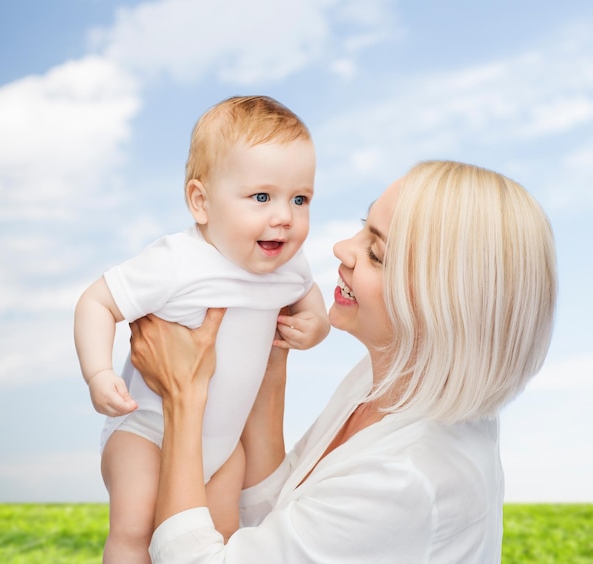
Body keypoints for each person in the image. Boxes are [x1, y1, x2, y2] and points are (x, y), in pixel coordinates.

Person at [128, 160, 557, 563]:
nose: (341, 249)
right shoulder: (394, 377)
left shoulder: (409, 478)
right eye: (362, 228)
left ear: (444, 307)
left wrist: (183, 396)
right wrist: (271, 362)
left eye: (377, 254)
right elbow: (283, 514)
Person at [74, 95, 330, 562]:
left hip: (223, 445)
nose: (284, 216)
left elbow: (311, 305)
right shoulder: (177, 262)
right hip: (147, 430)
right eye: (261, 197)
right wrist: (97, 374)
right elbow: (96, 301)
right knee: (135, 529)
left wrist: (315, 328)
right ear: (201, 203)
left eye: (300, 198)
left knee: (221, 539)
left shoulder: (290, 267)